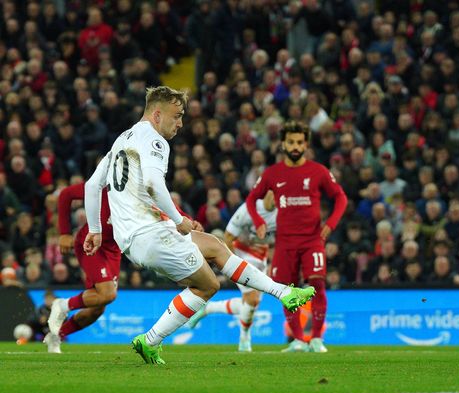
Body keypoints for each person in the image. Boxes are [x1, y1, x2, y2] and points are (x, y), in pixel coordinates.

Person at [83, 86, 315, 364]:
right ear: (157, 115)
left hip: (136, 238)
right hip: (150, 234)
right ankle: (150, 340)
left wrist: (95, 230)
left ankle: (284, 292)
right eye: (177, 116)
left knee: (216, 247)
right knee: (206, 286)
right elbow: (153, 185)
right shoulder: (155, 141)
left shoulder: (122, 139)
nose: (180, 123)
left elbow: (92, 185)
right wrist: (179, 220)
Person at [246, 120, 348, 353]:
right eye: (291, 142)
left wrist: (330, 224)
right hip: (284, 242)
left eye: (300, 142)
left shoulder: (318, 171)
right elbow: (252, 199)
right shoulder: (272, 174)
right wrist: (259, 222)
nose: (295, 146)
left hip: (312, 241)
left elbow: (341, 197)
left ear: (306, 145)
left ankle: (317, 339)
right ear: (283, 143)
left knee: (317, 286)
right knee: (285, 289)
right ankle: (299, 340)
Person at [187, 191, 277, 352]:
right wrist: (234, 264)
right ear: (269, 193)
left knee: (251, 305)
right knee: (252, 300)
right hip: (241, 254)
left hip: (261, 258)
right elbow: (228, 236)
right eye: (276, 195)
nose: (279, 200)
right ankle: (244, 340)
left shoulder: (281, 211)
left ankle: (208, 308)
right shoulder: (248, 209)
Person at [45, 182, 120, 353]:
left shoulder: (141, 189)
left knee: (96, 309)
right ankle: (62, 305)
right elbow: (66, 194)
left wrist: (184, 219)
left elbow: (164, 201)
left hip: (113, 250)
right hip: (90, 242)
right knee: (108, 294)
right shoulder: (104, 186)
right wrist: (64, 232)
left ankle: (56, 335)